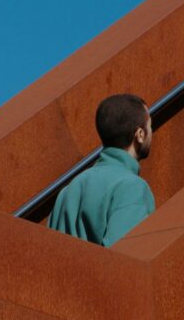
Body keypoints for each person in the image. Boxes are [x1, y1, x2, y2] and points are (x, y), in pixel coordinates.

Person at [48, 91, 156, 245]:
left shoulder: (67, 192)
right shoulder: (132, 188)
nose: (151, 132)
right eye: (150, 126)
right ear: (139, 134)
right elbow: (124, 258)